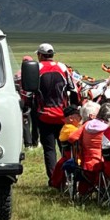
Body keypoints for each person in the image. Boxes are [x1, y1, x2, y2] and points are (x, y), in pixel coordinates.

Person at [34, 43, 75, 182]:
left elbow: (29, 92)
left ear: (40, 55)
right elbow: (72, 88)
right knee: (65, 147)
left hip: (44, 114)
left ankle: (53, 179)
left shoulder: (37, 68)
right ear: (52, 55)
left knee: (49, 149)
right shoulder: (62, 67)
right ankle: (68, 176)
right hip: (62, 115)